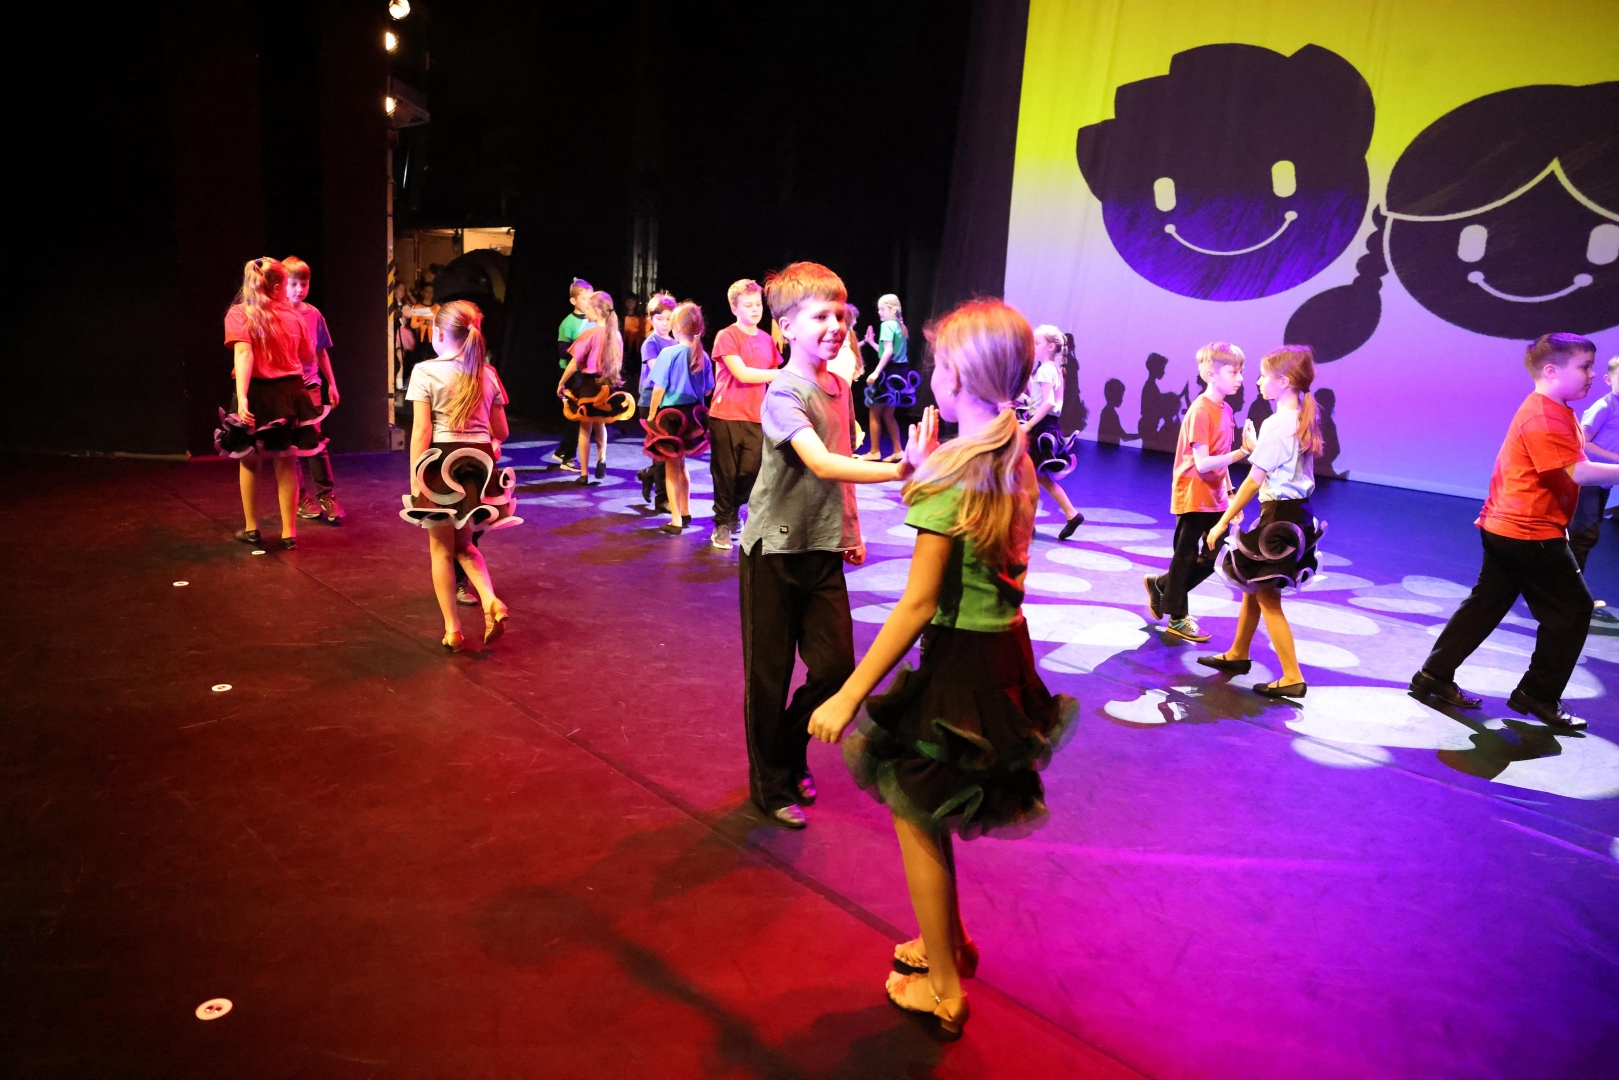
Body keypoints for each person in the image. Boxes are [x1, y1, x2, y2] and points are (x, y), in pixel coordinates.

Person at [809, 298, 1078, 1041]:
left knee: (915, 810)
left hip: (959, 661)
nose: (932, 377)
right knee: (930, 803)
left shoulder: (960, 471)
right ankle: (946, 942)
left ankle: (945, 988)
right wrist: (926, 475)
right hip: (1003, 653)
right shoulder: (1008, 448)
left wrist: (847, 695)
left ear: (960, 376)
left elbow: (918, 603)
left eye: (939, 366)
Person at [740, 263, 927, 830]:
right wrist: (900, 470)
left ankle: (787, 749)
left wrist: (852, 530)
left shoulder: (840, 388)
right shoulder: (783, 392)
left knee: (836, 669)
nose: (835, 326)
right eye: (820, 316)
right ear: (787, 328)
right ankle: (770, 784)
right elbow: (821, 463)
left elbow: (840, 465)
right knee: (769, 679)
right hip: (773, 554)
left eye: (840, 315)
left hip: (821, 550)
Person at [1410, 334, 1617, 730]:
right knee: (1572, 611)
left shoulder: (1553, 409)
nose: (1592, 374)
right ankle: (1537, 694)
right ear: (1552, 371)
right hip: (1527, 531)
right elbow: (1579, 472)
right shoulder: (1544, 416)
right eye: (1585, 367)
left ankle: (1433, 674)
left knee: (1487, 602)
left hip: (1508, 525)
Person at [1197, 345, 1325, 699]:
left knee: (1268, 598)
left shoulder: (1277, 423)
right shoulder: (1299, 417)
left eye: (1264, 376)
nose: (1257, 381)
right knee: (1255, 585)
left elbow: (1254, 482)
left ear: (1283, 382)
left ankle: (1292, 676)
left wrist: (1222, 522)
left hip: (1280, 520)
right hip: (1296, 514)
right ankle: (1238, 652)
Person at [398, 300, 518, 651]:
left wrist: (416, 476)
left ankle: (452, 630)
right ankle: (490, 600)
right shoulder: (488, 373)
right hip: (477, 464)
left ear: (437, 334)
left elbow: (421, 432)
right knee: (464, 544)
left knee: (440, 549)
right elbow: (502, 431)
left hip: (442, 463)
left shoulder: (425, 372)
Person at [1146, 343, 1253, 644]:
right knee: (1185, 556)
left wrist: (1230, 492)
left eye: (1241, 372)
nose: (1240, 378)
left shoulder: (1226, 410)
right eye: (1234, 372)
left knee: (1212, 557)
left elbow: (1221, 458)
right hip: (1193, 494)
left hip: (1215, 496)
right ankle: (1177, 617)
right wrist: (1243, 452)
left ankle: (1162, 585)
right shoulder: (1200, 411)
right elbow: (1204, 463)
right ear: (1211, 374)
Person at [214, 257, 322, 550]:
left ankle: (252, 528)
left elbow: (244, 355)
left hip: (256, 391)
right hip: (290, 392)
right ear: (276, 288)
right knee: (287, 462)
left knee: (249, 461)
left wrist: (243, 398)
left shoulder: (239, 314)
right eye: (286, 285)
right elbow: (308, 357)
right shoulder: (294, 317)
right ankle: (289, 533)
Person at [708, 279, 784, 550]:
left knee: (750, 471)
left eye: (757, 304)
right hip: (726, 414)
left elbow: (773, 379)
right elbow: (742, 373)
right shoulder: (727, 336)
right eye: (748, 305)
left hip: (756, 416)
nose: (755, 309)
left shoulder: (766, 339)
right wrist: (782, 373)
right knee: (725, 473)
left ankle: (733, 511)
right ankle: (722, 524)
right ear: (734, 309)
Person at [642, 301, 714, 534]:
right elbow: (708, 391)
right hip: (693, 416)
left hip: (672, 417)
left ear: (677, 327)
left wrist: (652, 415)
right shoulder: (702, 355)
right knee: (682, 465)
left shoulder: (669, 353)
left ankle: (676, 520)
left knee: (672, 467)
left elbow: (659, 388)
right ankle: (685, 511)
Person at [283, 256, 344, 524]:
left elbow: (321, 351)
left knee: (315, 441)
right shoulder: (276, 313)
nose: (299, 289)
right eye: (293, 283)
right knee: (290, 445)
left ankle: (327, 495)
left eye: (304, 284)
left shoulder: (314, 314)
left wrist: (332, 383)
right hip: (284, 386)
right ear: (283, 284)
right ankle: (300, 497)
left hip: (310, 385)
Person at [556, 290, 633, 484]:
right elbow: (618, 363)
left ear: (597, 310)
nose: (587, 312)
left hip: (590, 387)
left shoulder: (589, 334)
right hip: (607, 385)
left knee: (585, 428)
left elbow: (574, 363)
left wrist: (561, 382)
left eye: (589, 309)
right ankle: (602, 458)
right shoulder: (616, 335)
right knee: (600, 424)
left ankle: (584, 473)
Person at [1019, 324, 1086, 539]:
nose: (1033, 346)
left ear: (1050, 347)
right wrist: (1027, 399)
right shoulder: (1055, 369)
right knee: (1037, 478)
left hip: (1040, 429)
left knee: (1028, 477)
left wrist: (1029, 425)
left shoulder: (1045, 370)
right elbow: (1047, 401)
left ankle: (1028, 524)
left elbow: (1048, 402)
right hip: (1048, 426)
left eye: (1037, 343)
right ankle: (1071, 514)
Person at [1570, 356, 1619, 608]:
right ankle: (1570, 597)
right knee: (1583, 536)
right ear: (1609, 379)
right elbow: (1581, 443)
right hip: (1588, 480)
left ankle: (1569, 595)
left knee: (1584, 538)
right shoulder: (1604, 406)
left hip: (1602, 482)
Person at [861, 293, 916, 461]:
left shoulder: (887, 325)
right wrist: (871, 342)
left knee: (874, 412)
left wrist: (876, 372)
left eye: (882, 309)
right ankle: (898, 450)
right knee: (888, 414)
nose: (879, 312)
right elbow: (886, 351)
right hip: (899, 373)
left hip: (888, 372)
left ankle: (874, 451)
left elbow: (889, 351)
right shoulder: (900, 325)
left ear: (892, 309)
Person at [636, 292, 677, 510]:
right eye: (659, 319)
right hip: (651, 401)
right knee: (661, 449)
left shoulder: (677, 342)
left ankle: (649, 474)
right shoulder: (650, 343)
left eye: (669, 318)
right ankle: (662, 498)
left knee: (668, 450)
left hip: (670, 400)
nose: (664, 323)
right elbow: (657, 371)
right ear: (651, 319)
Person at [551, 277, 595, 467]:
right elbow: (563, 351)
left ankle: (562, 451)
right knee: (576, 415)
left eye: (591, 298)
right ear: (573, 301)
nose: (588, 302)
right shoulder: (567, 323)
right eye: (585, 299)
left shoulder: (594, 320)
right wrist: (582, 351)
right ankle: (567, 456)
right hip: (572, 375)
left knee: (583, 416)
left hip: (587, 374)